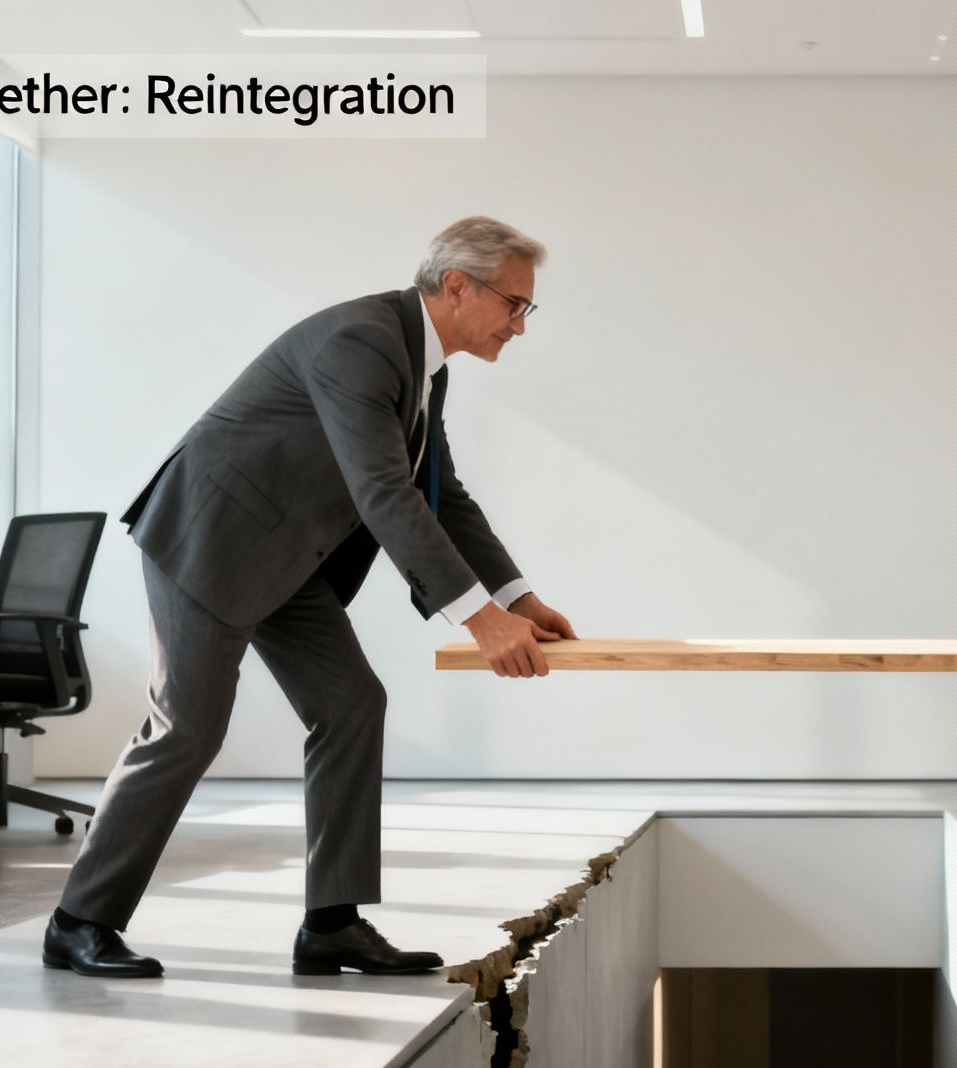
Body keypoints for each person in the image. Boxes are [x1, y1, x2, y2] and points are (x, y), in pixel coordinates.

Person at [44, 216, 575, 978]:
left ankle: (332, 924)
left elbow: (440, 492)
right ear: (457, 286)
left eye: (527, 309)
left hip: (289, 557)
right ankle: (78, 921)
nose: (521, 325)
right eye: (515, 304)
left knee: (352, 704)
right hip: (211, 539)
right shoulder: (360, 342)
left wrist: (515, 598)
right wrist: (478, 619)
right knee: (188, 728)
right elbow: (384, 492)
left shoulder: (428, 368)